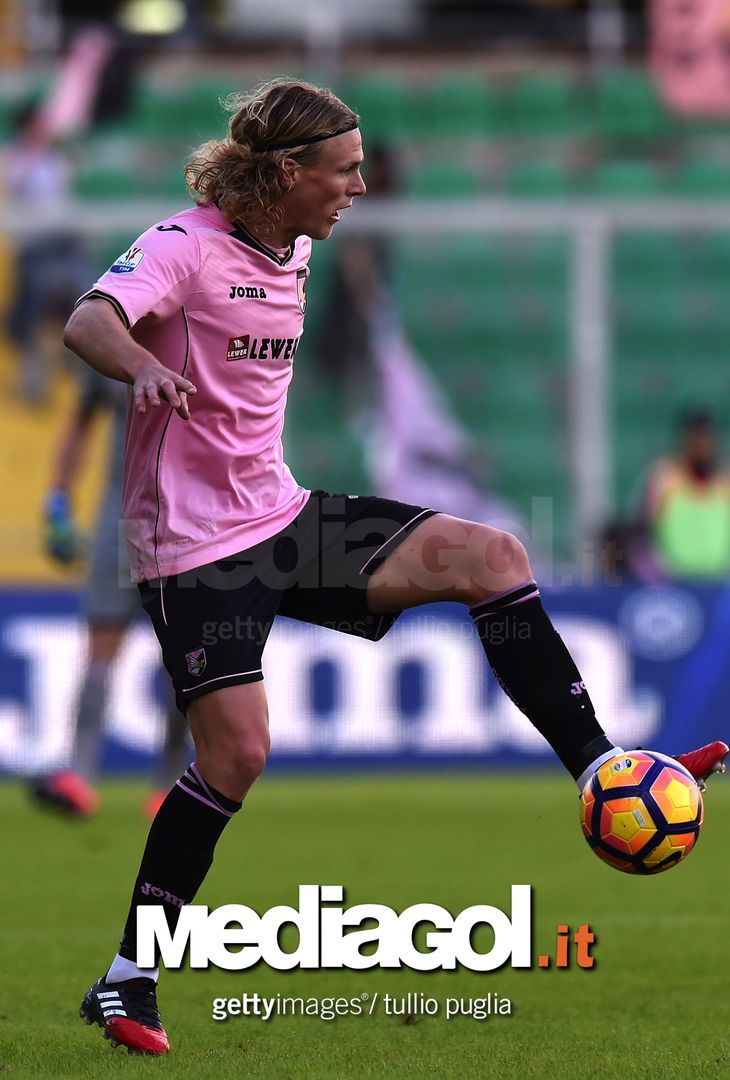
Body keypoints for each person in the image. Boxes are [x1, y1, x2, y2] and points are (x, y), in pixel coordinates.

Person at [62, 78, 728, 1056]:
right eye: (345, 170)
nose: (361, 187)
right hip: (192, 545)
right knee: (237, 758)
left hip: (279, 515)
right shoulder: (182, 246)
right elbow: (88, 320)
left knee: (492, 555)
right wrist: (143, 365)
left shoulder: (289, 245)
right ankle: (127, 979)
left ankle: (601, 768)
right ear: (287, 173)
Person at [29, 365, 190, 819]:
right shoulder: (110, 340)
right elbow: (80, 422)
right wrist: (58, 499)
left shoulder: (194, 337)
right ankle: (79, 777)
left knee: (181, 657)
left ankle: (170, 783)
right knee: (100, 642)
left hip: (186, 520)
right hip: (118, 517)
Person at [634, 407, 730, 581]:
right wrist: (656, 578)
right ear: (684, 440)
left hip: (721, 588)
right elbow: (639, 536)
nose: (702, 445)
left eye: (707, 437)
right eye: (696, 437)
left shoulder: (726, 483)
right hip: (673, 588)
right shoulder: (663, 479)